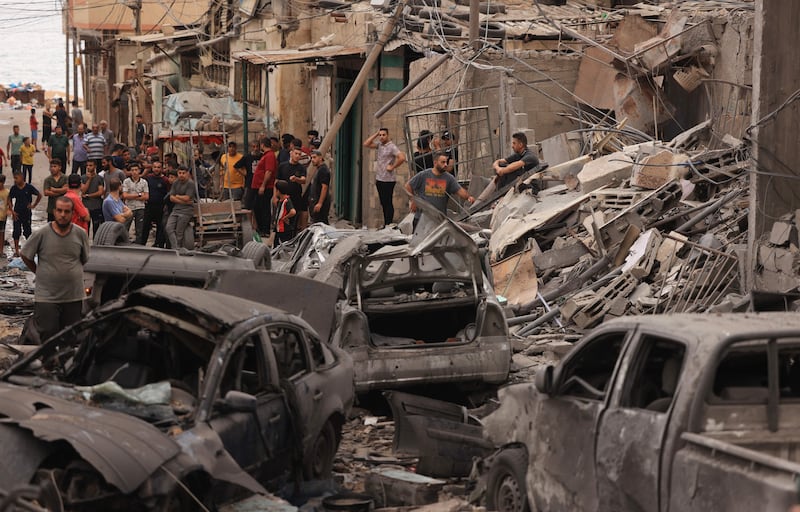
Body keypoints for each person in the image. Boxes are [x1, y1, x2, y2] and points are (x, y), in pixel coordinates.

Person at [20, 195, 90, 343]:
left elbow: (83, 259)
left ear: (72, 213)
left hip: (73, 296)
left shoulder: (80, 234)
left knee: (71, 336)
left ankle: (66, 365)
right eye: (59, 211)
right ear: (54, 211)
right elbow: (26, 255)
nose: (63, 215)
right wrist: (38, 271)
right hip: (47, 296)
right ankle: (48, 365)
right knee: (47, 334)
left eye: (67, 211)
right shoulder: (42, 233)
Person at [405, 151, 474, 231]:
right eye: (443, 162)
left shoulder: (449, 178)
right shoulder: (424, 175)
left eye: (446, 162)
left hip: (438, 221)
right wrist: (414, 200)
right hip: (421, 219)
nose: (445, 165)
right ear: (435, 163)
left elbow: (460, 191)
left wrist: (469, 197)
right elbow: (408, 186)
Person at [476, 132, 541, 204]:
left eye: (514, 143)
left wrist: (501, 170)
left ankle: (502, 197)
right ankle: (501, 196)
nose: (512, 146)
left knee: (511, 170)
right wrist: (499, 169)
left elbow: (513, 167)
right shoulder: (518, 154)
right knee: (504, 167)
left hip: (531, 187)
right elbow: (497, 162)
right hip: (522, 183)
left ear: (520, 145)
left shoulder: (529, 156)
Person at [363, 127, 405, 227]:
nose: (381, 137)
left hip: (388, 179)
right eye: (380, 135)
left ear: (388, 135)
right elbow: (366, 144)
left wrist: (393, 166)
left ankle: (388, 223)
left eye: (383, 135)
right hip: (379, 178)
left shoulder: (392, 147)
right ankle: (386, 223)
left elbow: (402, 157)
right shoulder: (380, 145)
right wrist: (376, 134)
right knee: (383, 202)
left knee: (388, 202)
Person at [7, 172, 41, 258]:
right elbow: (9, 198)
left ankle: (29, 249)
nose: (15, 180)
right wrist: (12, 210)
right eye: (14, 178)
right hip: (17, 213)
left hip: (26, 212)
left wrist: (33, 205)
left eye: (16, 178)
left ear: (22, 178)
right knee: (16, 231)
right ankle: (17, 251)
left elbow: (39, 195)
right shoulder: (14, 188)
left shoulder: (29, 187)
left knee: (27, 231)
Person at [138, 160, 168, 247]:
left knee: (160, 226)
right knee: (146, 225)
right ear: (152, 168)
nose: (156, 169)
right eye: (155, 167)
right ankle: (142, 244)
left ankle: (159, 244)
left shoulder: (165, 180)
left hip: (160, 207)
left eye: (158, 167)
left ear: (161, 169)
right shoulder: (148, 178)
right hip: (149, 206)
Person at [165, 166, 196, 250]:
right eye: (179, 173)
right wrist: (183, 200)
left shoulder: (190, 183)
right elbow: (171, 198)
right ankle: (175, 247)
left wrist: (177, 196)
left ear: (187, 174)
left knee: (179, 231)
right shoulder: (176, 182)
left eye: (183, 173)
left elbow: (187, 198)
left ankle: (177, 248)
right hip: (176, 209)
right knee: (169, 228)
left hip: (186, 211)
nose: (181, 175)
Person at [276, 148, 307, 231]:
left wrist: (296, 179)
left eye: (299, 154)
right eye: (296, 153)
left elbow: (304, 180)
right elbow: (276, 181)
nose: (297, 156)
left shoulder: (301, 168)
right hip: (283, 198)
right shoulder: (282, 166)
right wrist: (275, 196)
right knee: (281, 218)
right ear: (291, 153)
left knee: (294, 219)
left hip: (295, 197)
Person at [252, 137, 276, 236]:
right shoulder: (266, 155)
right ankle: (261, 229)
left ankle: (264, 229)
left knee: (263, 208)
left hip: (264, 187)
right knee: (258, 207)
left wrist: (263, 185)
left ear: (262, 145)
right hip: (259, 186)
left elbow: (269, 171)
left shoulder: (269, 156)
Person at [122, 163, 149, 242]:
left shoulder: (144, 182)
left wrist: (131, 195)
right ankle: (124, 242)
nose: (134, 172)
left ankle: (139, 244)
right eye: (132, 170)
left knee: (139, 229)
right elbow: (125, 195)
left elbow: (146, 197)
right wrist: (139, 194)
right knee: (125, 227)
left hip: (140, 207)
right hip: (129, 208)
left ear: (139, 171)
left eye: (136, 170)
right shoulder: (126, 181)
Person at [81, 160, 105, 236]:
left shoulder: (99, 178)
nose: (88, 167)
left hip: (96, 206)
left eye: (90, 165)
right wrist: (89, 179)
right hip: (85, 207)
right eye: (87, 165)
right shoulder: (83, 177)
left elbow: (100, 192)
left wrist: (89, 196)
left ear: (95, 166)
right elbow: (83, 190)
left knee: (96, 228)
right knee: (85, 228)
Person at [307, 150, 331, 224]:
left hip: (320, 202)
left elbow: (324, 187)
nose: (312, 160)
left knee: (321, 223)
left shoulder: (323, 170)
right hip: (315, 200)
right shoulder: (319, 169)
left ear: (320, 158)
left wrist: (320, 203)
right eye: (311, 158)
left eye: (314, 157)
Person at [272, 180, 296, 247]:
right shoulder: (280, 201)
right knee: (276, 245)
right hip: (279, 228)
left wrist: (285, 217)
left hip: (284, 229)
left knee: (284, 245)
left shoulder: (286, 201)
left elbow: (293, 212)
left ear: (278, 191)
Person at [0, 175, 8, 257]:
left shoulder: (7, 192)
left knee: (2, 234)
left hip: (3, 217)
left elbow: (9, 204)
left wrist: (10, 211)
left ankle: (1, 251)